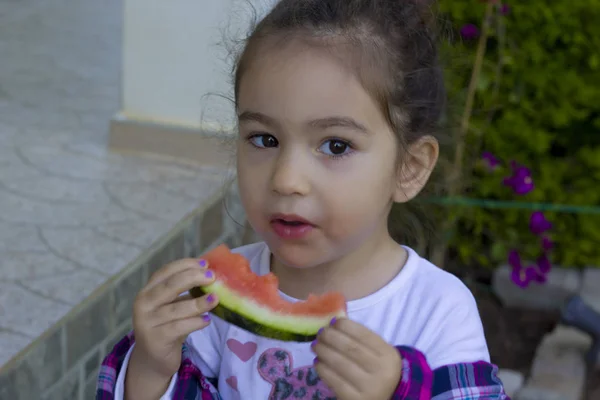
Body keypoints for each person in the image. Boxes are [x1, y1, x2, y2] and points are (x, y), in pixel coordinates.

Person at [97, 0, 509, 399]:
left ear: (410, 168)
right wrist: (152, 370)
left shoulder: (437, 311)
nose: (287, 179)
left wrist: (399, 393)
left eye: (335, 145)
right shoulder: (216, 300)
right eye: (265, 139)